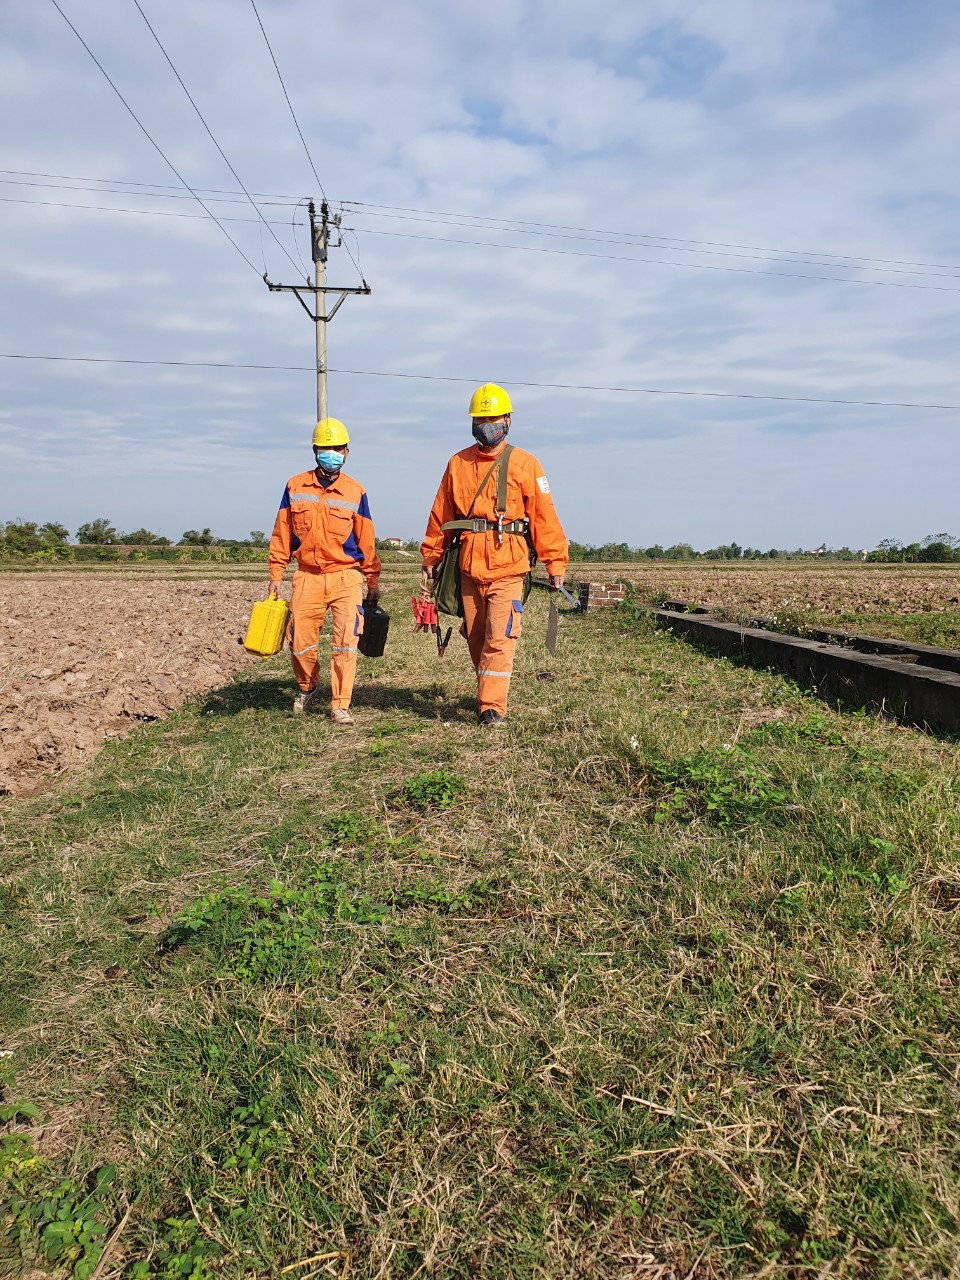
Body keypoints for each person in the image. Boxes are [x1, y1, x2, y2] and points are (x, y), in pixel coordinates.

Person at [420, 383, 568, 726]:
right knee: (476, 637)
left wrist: (555, 561)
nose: (488, 424)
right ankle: (488, 690)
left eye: (495, 417)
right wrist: (431, 557)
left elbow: (545, 517)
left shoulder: (527, 464)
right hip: (469, 567)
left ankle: (491, 708)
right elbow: (441, 516)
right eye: (481, 418)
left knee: (500, 638)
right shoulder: (457, 463)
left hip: (509, 566)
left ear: (509, 420)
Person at [267, 418, 381, 723]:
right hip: (307, 575)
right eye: (325, 449)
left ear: (347, 452)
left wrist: (372, 579)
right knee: (300, 641)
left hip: (346, 576)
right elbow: (282, 533)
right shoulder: (295, 486)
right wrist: (276, 575)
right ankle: (308, 686)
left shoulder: (356, 492)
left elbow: (366, 540)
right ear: (315, 451)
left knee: (346, 640)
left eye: (337, 449)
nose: (331, 453)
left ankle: (339, 704)